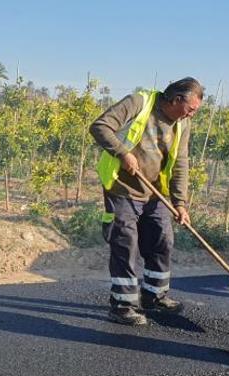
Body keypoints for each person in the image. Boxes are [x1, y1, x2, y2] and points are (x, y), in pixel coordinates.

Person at [90, 78, 203, 326]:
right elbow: (100, 126)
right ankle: (122, 305)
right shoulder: (139, 103)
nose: (192, 114)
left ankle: (154, 295)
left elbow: (180, 163)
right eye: (191, 109)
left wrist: (180, 202)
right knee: (125, 244)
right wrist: (123, 153)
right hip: (123, 188)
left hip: (156, 193)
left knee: (163, 240)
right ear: (175, 100)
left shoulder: (182, 124)